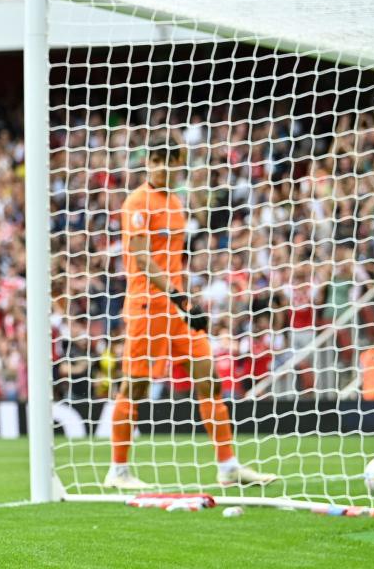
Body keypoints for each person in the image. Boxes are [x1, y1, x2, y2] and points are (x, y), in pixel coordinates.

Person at [104, 143, 277, 490]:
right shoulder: (137, 202)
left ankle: (228, 466)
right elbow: (141, 259)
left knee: (209, 379)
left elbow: (174, 263)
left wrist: (184, 300)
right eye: (157, 161)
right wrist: (181, 298)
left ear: (180, 166)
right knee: (135, 388)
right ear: (148, 162)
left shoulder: (176, 204)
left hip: (176, 307)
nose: (163, 169)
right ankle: (118, 471)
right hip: (146, 307)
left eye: (171, 163)